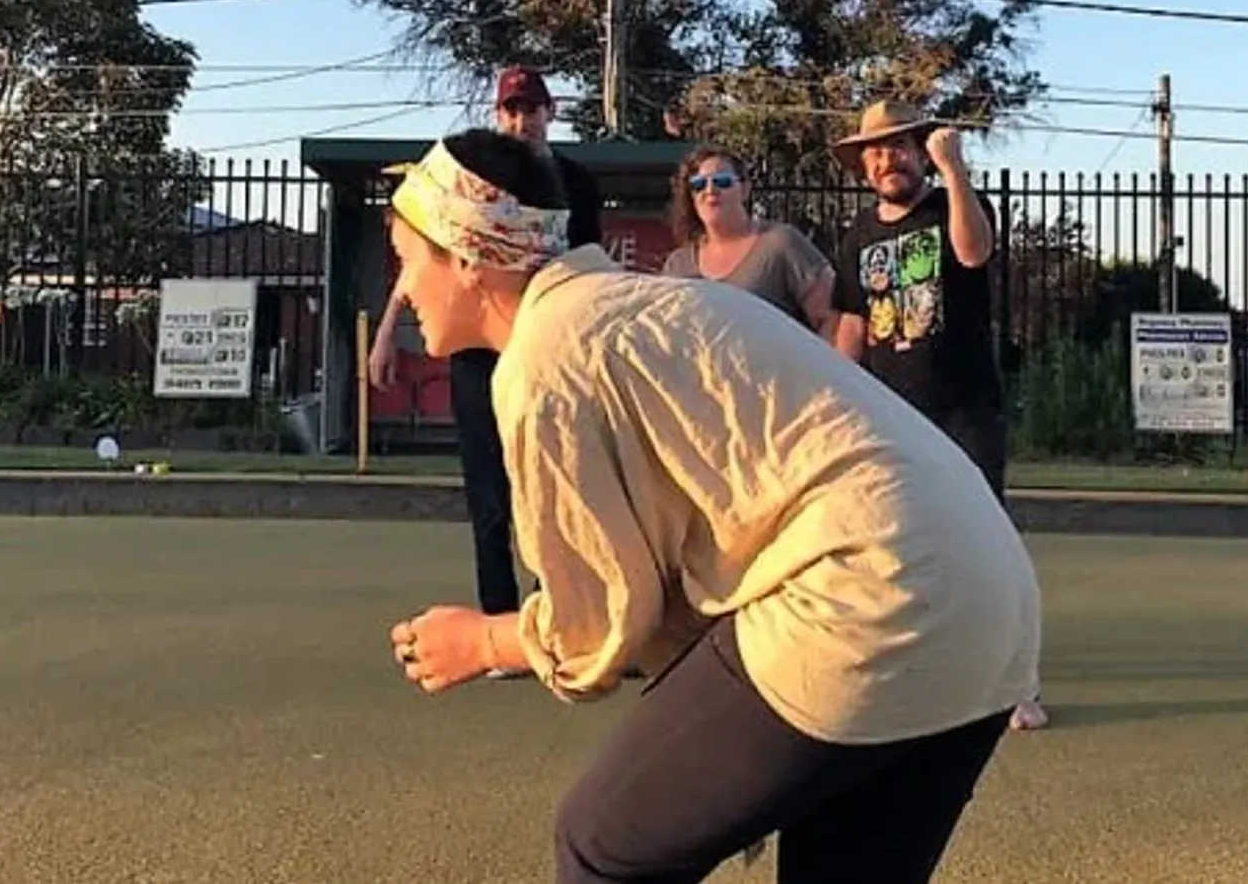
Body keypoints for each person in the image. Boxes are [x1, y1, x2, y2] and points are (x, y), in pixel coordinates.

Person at [385, 129, 1042, 884]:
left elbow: (594, 625)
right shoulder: (665, 301)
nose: (403, 288)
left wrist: (484, 641)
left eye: (408, 258)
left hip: (867, 596)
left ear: (467, 257)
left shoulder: (545, 358)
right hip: (994, 603)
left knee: (604, 845)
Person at [829, 100, 1049, 733]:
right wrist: (836, 396)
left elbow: (974, 253)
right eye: (875, 151)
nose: (887, 160)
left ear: (920, 151)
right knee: (896, 548)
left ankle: (1016, 681)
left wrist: (954, 170)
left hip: (965, 409)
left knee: (988, 546)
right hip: (894, 417)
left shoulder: (953, 204)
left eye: (899, 147)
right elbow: (853, 324)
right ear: (863, 165)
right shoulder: (859, 235)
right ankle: (913, 671)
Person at [369, 66, 600, 654]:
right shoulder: (463, 189)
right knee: (490, 494)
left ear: (550, 112)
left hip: (547, 346)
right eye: (511, 110)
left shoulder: (575, 183)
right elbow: (430, 257)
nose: (522, 120)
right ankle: (503, 619)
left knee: (556, 488)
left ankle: (565, 621)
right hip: (480, 357)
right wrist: (388, 328)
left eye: (532, 109)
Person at [658, 145, 836, 334]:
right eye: (698, 184)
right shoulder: (678, 265)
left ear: (744, 189)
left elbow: (831, 320)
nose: (710, 190)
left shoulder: (780, 243)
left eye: (722, 181)